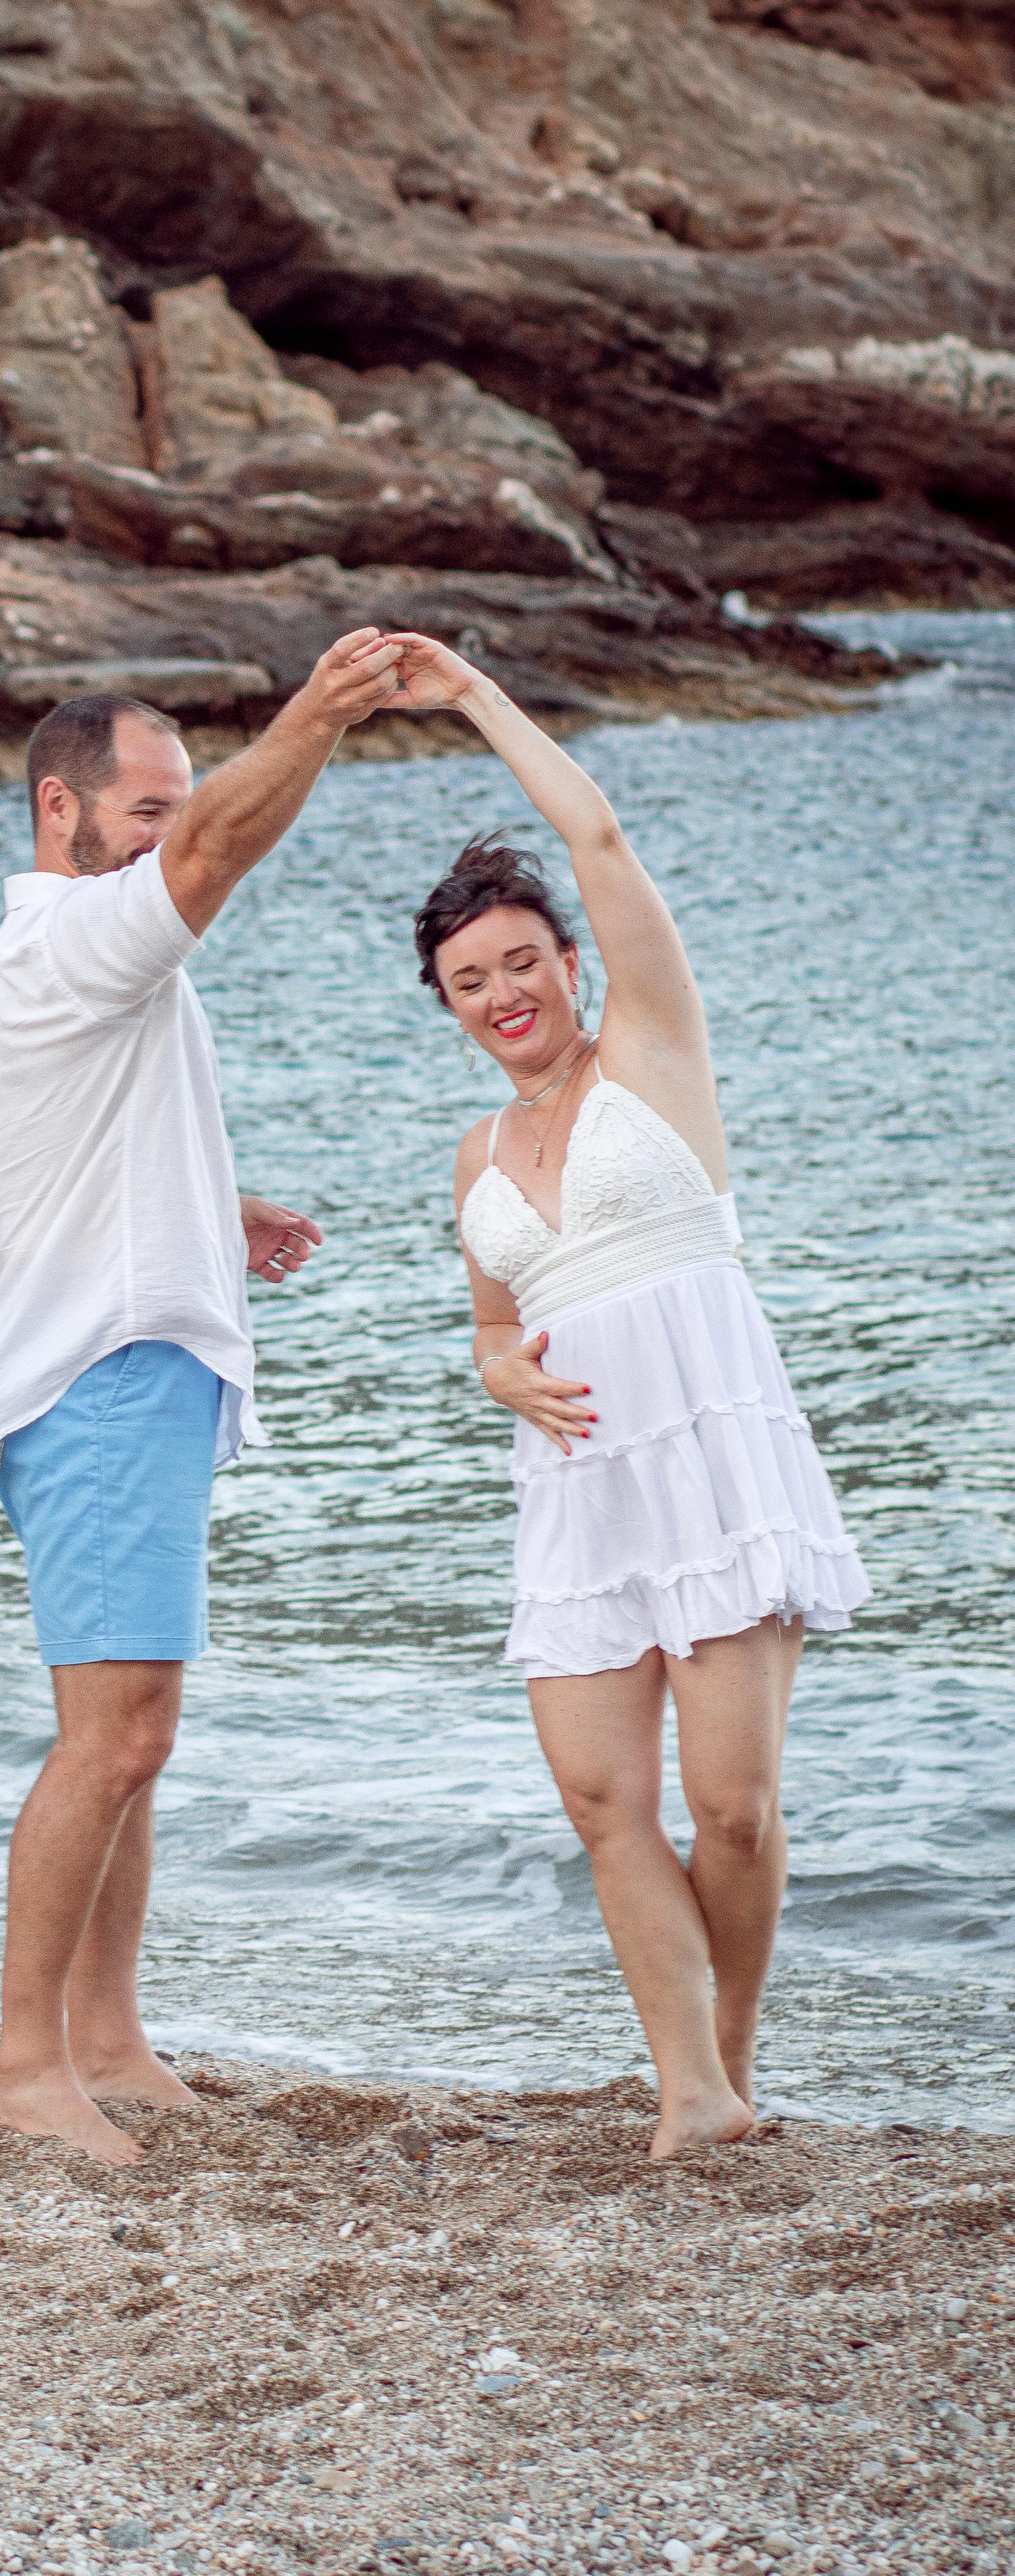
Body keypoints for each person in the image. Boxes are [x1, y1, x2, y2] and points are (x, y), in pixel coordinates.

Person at [389, 630, 869, 2158]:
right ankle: (687, 2095)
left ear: (567, 961)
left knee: (728, 1807)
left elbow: (591, 834)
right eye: (469, 980)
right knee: (603, 1801)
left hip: (712, 1460)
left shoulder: (651, 1055)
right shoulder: (471, 1156)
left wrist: (468, 694)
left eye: (521, 960)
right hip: (580, 1489)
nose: (501, 991)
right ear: (447, 1003)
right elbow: (489, 1324)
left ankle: (722, 2065)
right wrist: (493, 1370)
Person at [0, 637, 406, 2166]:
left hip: (116, 1369)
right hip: (94, 1382)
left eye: (168, 809)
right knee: (113, 1736)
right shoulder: (71, 936)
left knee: (133, 1733)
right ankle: (25, 2063)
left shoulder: (60, 967)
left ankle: (103, 2035)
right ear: (58, 811)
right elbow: (219, 847)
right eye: (141, 808)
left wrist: (208, 1209)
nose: (167, 833)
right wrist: (323, 713)